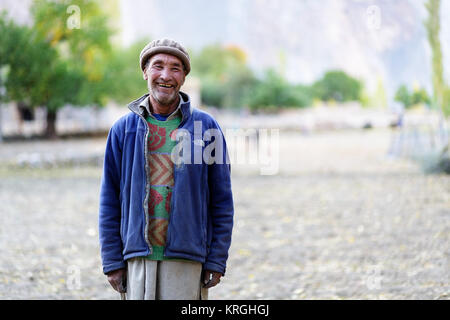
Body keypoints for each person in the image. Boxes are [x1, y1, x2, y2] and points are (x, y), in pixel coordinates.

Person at [98, 38, 234, 300]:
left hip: (188, 258)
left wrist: (216, 259)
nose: (165, 75)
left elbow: (222, 200)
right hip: (137, 259)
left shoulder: (206, 128)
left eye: (175, 68)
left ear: (184, 77)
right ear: (145, 72)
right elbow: (109, 200)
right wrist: (112, 260)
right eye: (157, 66)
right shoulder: (123, 130)